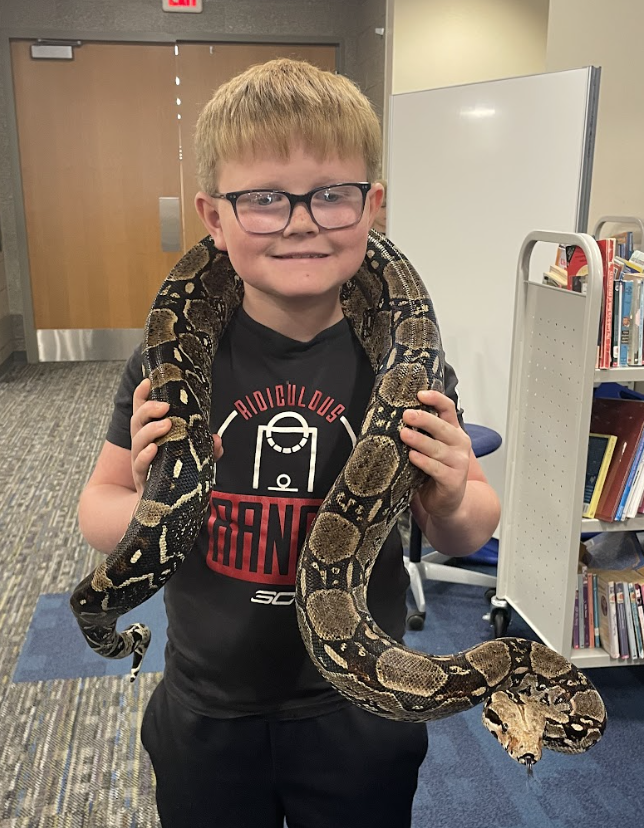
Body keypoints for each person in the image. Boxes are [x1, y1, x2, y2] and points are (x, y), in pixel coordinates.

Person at [78, 58, 501, 828]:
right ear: (214, 217)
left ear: (372, 207)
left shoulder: (409, 368)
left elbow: (467, 528)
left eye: (332, 195)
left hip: (357, 710)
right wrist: (147, 502)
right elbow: (98, 508)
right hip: (207, 707)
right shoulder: (166, 366)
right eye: (264, 198)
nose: (302, 221)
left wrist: (449, 496)